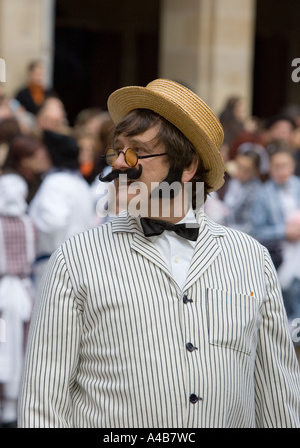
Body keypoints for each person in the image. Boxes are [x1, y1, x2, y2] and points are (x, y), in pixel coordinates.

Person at [18, 79, 300, 428]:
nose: (121, 163)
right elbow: (42, 403)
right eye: (117, 150)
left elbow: (277, 397)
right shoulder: (75, 259)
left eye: (136, 151)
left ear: (188, 166)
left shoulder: (251, 260)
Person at [27, 130, 95, 289]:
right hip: (75, 266)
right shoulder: (79, 183)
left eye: (42, 150)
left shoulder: (55, 183)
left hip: (53, 267)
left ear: (51, 154)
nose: (39, 154)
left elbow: (52, 222)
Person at [0, 174, 36, 427]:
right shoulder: (27, 222)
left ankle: (9, 405)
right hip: (23, 293)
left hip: (7, 295)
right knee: (18, 346)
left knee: (5, 344)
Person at [252, 141, 300, 324]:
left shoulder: (298, 186)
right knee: (289, 291)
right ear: (270, 168)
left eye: (285, 166)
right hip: (279, 252)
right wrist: (283, 232)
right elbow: (257, 230)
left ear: (293, 166)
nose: (281, 171)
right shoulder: (264, 194)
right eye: (276, 166)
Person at [223, 149, 262, 234]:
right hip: (225, 227)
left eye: (246, 170)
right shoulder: (233, 182)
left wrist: (225, 230)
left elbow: (252, 226)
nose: (241, 172)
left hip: (241, 235)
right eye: (239, 167)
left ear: (256, 172)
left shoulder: (257, 192)